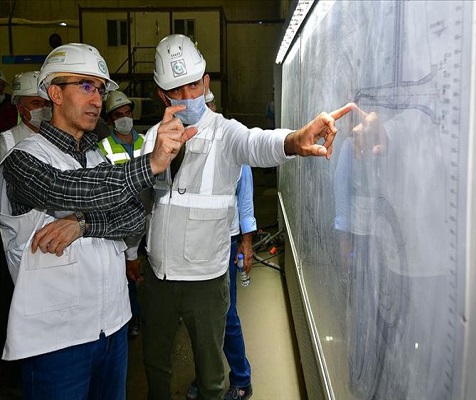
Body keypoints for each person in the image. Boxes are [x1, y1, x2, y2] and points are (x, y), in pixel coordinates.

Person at [140, 33, 352, 400]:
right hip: (157, 276)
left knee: (210, 374)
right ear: (163, 96)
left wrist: (294, 141)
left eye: (194, 85)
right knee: (155, 364)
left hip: (205, 280)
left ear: (206, 82)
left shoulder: (226, 133)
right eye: (177, 91)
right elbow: (142, 200)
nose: (188, 97)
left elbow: (258, 142)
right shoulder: (152, 139)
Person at [0, 42, 194, 400]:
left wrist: (84, 225)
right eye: (86, 86)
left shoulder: (96, 157)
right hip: (57, 340)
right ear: (55, 92)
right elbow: (64, 189)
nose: (97, 100)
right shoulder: (21, 161)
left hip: (113, 327)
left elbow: (135, 216)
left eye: (100, 89)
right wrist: (150, 164)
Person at [187, 164, 256, 400]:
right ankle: (208, 374)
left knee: (226, 313)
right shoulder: (189, 142)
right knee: (200, 315)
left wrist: (246, 245)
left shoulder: (234, 144)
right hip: (195, 241)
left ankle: (241, 379)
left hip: (225, 242)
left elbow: (245, 203)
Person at [99, 90, 146, 338]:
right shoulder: (102, 149)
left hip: (149, 214)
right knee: (126, 272)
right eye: (119, 115)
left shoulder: (147, 141)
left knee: (154, 267)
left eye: (128, 113)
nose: (125, 119)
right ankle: (134, 317)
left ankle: (160, 314)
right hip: (120, 219)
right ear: (109, 120)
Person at [0, 71, 52, 158]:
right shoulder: (7, 142)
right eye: (36, 103)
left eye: (46, 102)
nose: (43, 108)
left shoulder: (62, 137)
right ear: (20, 108)